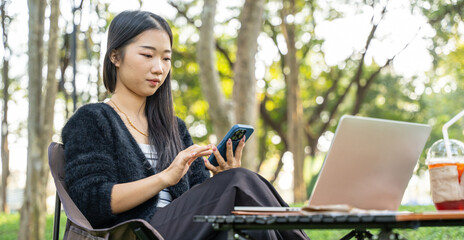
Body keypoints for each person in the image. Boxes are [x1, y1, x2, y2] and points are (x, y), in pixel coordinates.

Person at [61, 10, 309, 240]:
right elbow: (92, 201)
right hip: (136, 232)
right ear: (115, 56)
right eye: (147, 55)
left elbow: (198, 194)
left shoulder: (174, 129)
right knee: (239, 181)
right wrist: (164, 178)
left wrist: (219, 179)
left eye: (166, 58)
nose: (159, 68)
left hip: (187, 229)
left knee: (236, 183)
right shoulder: (91, 120)